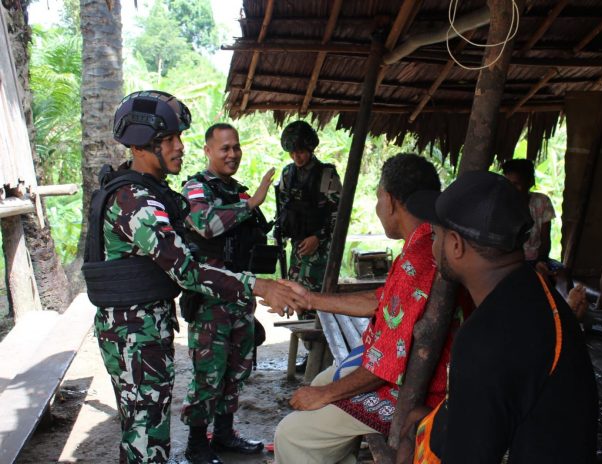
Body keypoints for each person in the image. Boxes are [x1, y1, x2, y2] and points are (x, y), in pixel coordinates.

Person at [81, 90, 303, 464]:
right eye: (167, 140)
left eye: (178, 137)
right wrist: (259, 285)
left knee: (149, 429)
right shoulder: (136, 200)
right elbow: (186, 268)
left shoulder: (154, 193)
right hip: (134, 334)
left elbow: (197, 225)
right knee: (145, 440)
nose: (179, 147)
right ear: (139, 146)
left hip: (144, 329)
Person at [273, 154, 474, 464]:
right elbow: (384, 300)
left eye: (379, 197)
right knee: (320, 382)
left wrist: (326, 396)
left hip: (419, 390)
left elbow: (386, 367)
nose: (379, 207)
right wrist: (310, 299)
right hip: (418, 374)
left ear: (391, 201)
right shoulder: (425, 243)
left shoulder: (417, 261)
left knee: (292, 434)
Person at [406, 170, 598, 463]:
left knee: (408, 446)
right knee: (419, 421)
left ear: (456, 245)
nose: (433, 246)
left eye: (436, 235)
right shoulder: (533, 291)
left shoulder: (485, 338)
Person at [180, 123, 276, 462]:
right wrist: (250, 205)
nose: (232, 154)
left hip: (240, 298)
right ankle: (196, 444)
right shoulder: (196, 188)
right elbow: (204, 224)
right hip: (210, 301)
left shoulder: (237, 191)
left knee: (237, 370)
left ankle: (223, 435)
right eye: (224, 148)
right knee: (209, 374)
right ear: (208, 150)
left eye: (236, 147)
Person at [277, 120, 342, 295]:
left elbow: (339, 215)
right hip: (297, 247)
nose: (296, 157)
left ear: (310, 148)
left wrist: (318, 237)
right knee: (297, 297)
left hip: (321, 251)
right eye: (291, 153)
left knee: (318, 298)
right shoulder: (287, 174)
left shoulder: (326, 175)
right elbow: (283, 209)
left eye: (300, 152)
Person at [502, 158, 555, 265]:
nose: (511, 189)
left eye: (516, 184)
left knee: (562, 277)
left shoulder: (541, 202)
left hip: (535, 261)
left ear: (529, 183)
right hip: (507, 263)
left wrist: (540, 263)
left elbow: (545, 241)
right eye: (507, 184)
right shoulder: (501, 204)